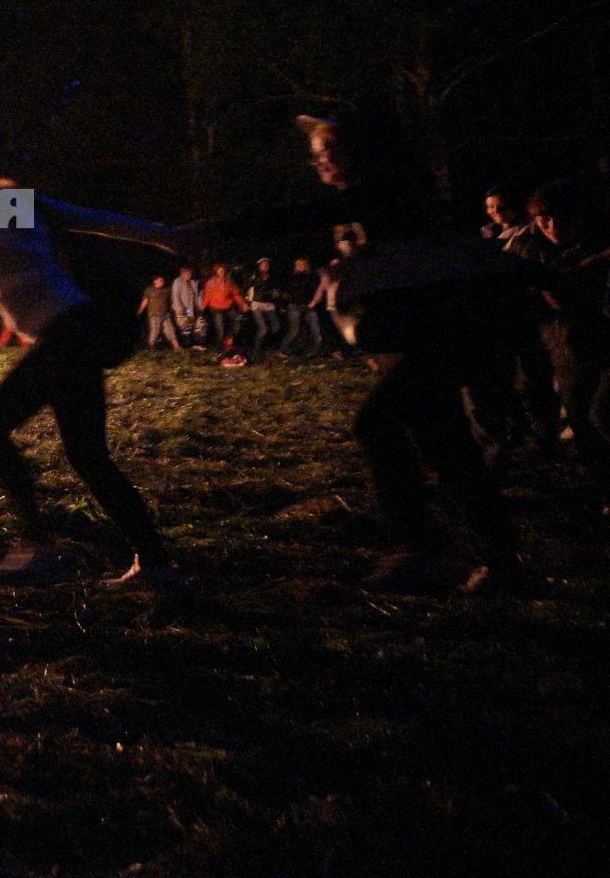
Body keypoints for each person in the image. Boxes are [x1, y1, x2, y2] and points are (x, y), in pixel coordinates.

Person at [0, 140, 186, 587]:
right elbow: (100, 221)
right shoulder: (16, 201)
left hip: (67, 336)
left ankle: (39, 546)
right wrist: (167, 235)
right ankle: (154, 561)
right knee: (89, 457)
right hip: (76, 332)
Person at [255, 112, 529, 592]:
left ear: (358, 153)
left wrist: (198, 231)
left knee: (378, 423)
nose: (317, 160)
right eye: (316, 152)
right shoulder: (392, 198)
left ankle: (416, 548)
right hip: (427, 335)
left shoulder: (385, 190)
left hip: (444, 333)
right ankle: (500, 559)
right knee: (448, 445)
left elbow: (298, 215)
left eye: (327, 150)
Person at [522, 179, 610, 485]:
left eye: (562, 216)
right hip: (566, 351)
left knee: (603, 415)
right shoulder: (530, 249)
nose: (552, 225)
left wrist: (551, 283)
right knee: (581, 424)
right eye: (543, 218)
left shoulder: (598, 248)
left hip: (602, 347)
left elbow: (572, 294)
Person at [278, 256, 323, 356]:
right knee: (294, 331)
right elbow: (286, 292)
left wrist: (314, 302)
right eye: (298, 264)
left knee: (316, 331)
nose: (301, 266)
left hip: (309, 306)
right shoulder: (291, 277)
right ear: (295, 265)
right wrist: (284, 305)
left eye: (303, 264)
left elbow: (317, 290)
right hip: (294, 306)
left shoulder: (311, 277)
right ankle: (282, 350)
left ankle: (315, 352)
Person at [201, 265, 250, 354]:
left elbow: (236, 294)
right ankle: (219, 349)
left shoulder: (229, 282)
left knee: (237, 322)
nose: (222, 272)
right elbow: (207, 296)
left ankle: (228, 340)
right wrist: (203, 307)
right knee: (220, 329)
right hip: (215, 308)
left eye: (223, 271)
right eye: (220, 271)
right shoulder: (211, 282)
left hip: (228, 307)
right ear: (216, 272)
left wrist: (243, 304)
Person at [247, 258, 284, 351]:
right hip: (257, 303)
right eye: (263, 264)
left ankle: (268, 345)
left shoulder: (273, 277)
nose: (265, 266)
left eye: (267, 264)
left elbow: (277, 290)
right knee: (263, 329)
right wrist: (247, 300)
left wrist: (277, 295)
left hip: (269, 304)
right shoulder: (254, 277)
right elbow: (247, 290)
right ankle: (256, 350)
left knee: (276, 327)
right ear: (259, 266)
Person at [139, 275, 181, 350]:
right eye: (160, 280)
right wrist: (139, 311)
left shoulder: (166, 290)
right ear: (155, 281)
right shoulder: (149, 290)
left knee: (170, 331)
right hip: (154, 315)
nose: (162, 282)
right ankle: (151, 348)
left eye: (163, 280)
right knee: (155, 332)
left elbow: (171, 303)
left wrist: (176, 310)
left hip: (165, 315)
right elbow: (145, 301)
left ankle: (177, 347)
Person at [171, 266, 204, 349]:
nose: (189, 275)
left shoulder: (192, 282)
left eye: (190, 273)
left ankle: (194, 343)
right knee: (185, 325)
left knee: (193, 325)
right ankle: (187, 344)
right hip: (184, 308)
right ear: (182, 273)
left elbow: (195, 295)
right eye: (187, 273)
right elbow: (175, 296)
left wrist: (199, 305)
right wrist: (179, 308)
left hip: (192, 307)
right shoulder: (177, 282)